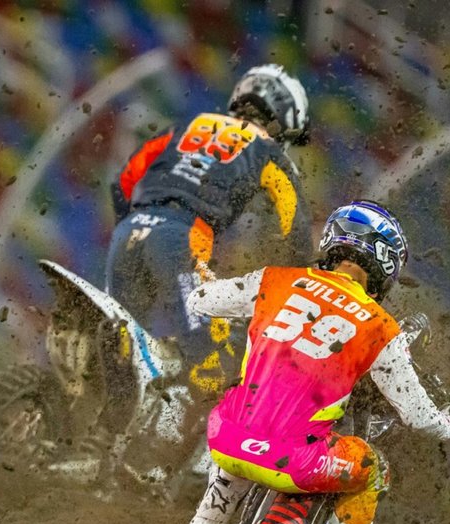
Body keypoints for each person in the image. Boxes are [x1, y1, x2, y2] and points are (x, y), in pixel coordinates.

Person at [166, 200, 450, 524]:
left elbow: (200, 300)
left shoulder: (273, 279)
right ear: (387, 264)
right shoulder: (381, 326)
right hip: (300, 463)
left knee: (242, 412)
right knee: (374, 470)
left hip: (224, 441)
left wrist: (210, 279)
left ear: (332, 240)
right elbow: (419, 417)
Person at [106, 64, 314, 398]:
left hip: (128, 232)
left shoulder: (187, 126)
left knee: (118, 349)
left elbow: (123, 181)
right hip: (183, 239)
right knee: (213, 363)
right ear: (283, 118)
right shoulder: (268, 151)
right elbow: (294, 229)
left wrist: (132, 225)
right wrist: (302, 280)